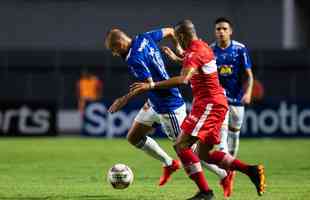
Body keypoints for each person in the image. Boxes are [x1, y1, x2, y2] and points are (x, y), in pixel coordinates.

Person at [130, 19, 266, 200]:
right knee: (205, 154)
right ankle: (252, 171)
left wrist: (152, 85)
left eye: (179, 38)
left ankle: (205, 192)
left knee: (181, 145)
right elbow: (195, 65)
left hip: (209, 104)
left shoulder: (195, 51)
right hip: (212, 104)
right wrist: (178, 58)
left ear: (182, 36)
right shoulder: (201, 46)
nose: (179, 42)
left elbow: (183, 79)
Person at [105, 27, 186, 186]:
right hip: (154, 103)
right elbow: (170, 30)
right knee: (133, 137)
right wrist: (179, 48)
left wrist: (123, 100)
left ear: (120, 44)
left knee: (187, 150)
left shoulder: (133, 59)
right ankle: (170, 163)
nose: (114, 54)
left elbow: (147, 85)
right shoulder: (144, 37)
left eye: (113, 50)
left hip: (168, 106)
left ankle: (224, 171)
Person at [210, 17, 254, 158]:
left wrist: (248, 93)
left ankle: (231, 165)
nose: (221, 32)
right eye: (218, 29)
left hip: (237, 97)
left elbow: (249, 75)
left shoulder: (239, 49)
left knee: (234, 133)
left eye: (224, 29)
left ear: (230, 31)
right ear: (215, 32)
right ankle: (224, 160)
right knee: (222, 133)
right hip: (219, 97)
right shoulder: (210, 51)